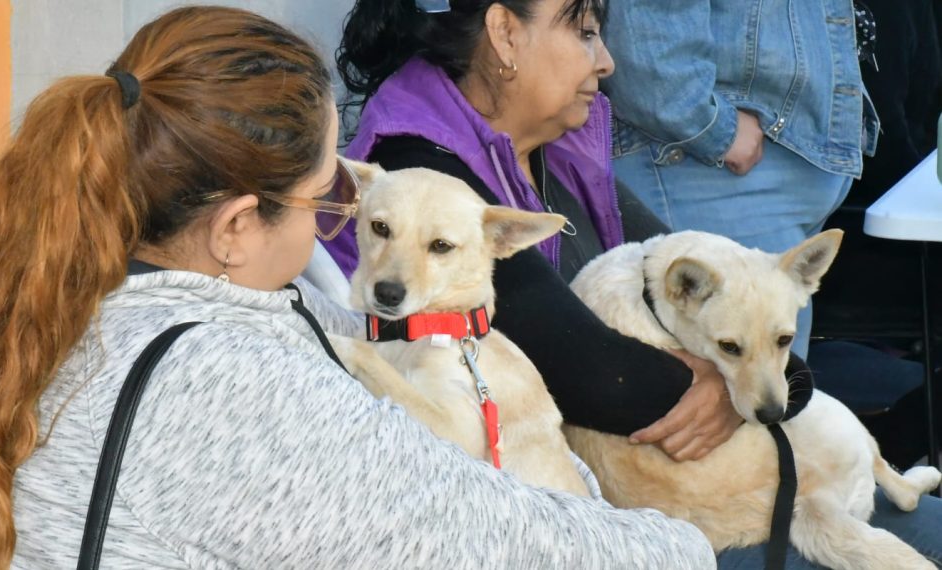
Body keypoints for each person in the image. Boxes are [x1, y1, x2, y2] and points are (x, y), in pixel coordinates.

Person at [0, 6, 719, 569]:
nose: (339, 212)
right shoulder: (221, 389)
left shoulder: (49, 268)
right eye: (328, 193)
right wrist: (684, 546)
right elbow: (480, 538)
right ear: (236, 227)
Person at [330, 0, 942, 567]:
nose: (608, 60)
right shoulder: (427, 177)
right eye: (586, 31)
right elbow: (603, 381)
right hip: (610, 530)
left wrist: (760, 375)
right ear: (504, 33)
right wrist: (745, 381)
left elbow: (733, 292)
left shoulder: (559, 152)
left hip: (681, 500)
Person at [600, 0, 881, 360]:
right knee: (740, 402)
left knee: (762, 398)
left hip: (750, 173)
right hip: (703, 168)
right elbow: (650, 59)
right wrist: (716, 129)